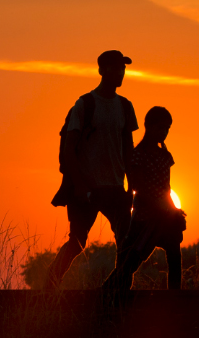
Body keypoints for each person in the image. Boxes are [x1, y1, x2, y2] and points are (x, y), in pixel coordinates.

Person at [45, 50, 138, 289]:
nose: (120, 73)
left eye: (123, 68)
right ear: (101, 70)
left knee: (126, 243)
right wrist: (79, 185)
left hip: (115, 188)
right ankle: (49, 286)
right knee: (77, 242)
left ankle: (117, 292)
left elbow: (128, 149)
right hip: (87, 189)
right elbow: (69, 148)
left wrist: (132, 186)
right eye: (115, 68)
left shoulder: (125, 106)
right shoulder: (85, 104)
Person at [102, 107, 184, 290]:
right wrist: (162, 208)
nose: (164, 132)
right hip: (144, 218)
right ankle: (107, 294)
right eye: (160, 127)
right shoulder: (138, 154)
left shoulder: (165, 156)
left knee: (174, 252)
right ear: (148, 126)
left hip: (163, 217)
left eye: (167, 128)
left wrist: (175, 212)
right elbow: (139, 188)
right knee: (129, 264)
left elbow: (166, 189)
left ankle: (175, 297)